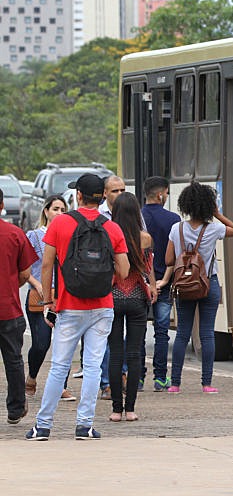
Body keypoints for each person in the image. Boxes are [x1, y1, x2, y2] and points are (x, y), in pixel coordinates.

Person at [26, 173, 129, 440]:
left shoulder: (60, 224)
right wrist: (107, 280)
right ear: (102, 196)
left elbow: (47, 264)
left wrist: (48, 300)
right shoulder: (112, 227)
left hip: (69, 305)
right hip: (102, 305)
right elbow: (125, 269)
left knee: (60, 366)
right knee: (94, 366)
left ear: (78, 196)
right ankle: (84, 425)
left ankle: (43, 426)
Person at [162, 181, 233, 394]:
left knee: (182, 334)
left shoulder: (175, 229)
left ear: (185, 204)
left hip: (184, 286)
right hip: (208, 284)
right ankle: (206, 383)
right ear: (207, 206)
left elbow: (169, 259)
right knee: (207, 334)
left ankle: (175, 383)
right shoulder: (214, 228)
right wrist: (217, 213)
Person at [108, 192, 157, 422]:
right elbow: (148, 268)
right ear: (137, 213)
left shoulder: (108, 234)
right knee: (135, 354)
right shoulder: (145, 238)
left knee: (115, 354)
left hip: (113, 297)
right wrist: (154, 287)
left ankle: (116, 409)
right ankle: (130, 410)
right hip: (138, 297)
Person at [24, 194, 77, 402]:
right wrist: (38, 286)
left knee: (64, 343)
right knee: (41, 343)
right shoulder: (34, 236)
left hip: (65, 295)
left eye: (63, 210)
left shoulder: (71, 235)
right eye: (55, 209)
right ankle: (32, 376)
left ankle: (61, 386)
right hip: (40, 295)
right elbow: (25, 268)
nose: (59, 213)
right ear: (46, 211)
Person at [0, 188, 38, 425]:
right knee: (13, 360)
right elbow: (25, 273)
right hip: (8, 308)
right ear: (2, 205)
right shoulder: (15, 234)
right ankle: (15, 409)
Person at [141, 176, 180, 392]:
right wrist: (164, 280)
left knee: (137, 332)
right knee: (162, 331)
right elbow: (174, 255)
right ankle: (160, 378)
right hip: (164, 283)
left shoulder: (137, 219)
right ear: (160, 194)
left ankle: (138, 378)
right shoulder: (173, 219)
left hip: (141, 284)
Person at [98, 174, 127, 399]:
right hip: (105, 284)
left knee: (125, 336)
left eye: (122, 190)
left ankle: (124, 375)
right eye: (114, 191)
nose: (119, 195)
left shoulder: (132, 213)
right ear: (105, 193)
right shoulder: (98, 218)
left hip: (129, 284)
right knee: (107, 336)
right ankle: (107, 382)